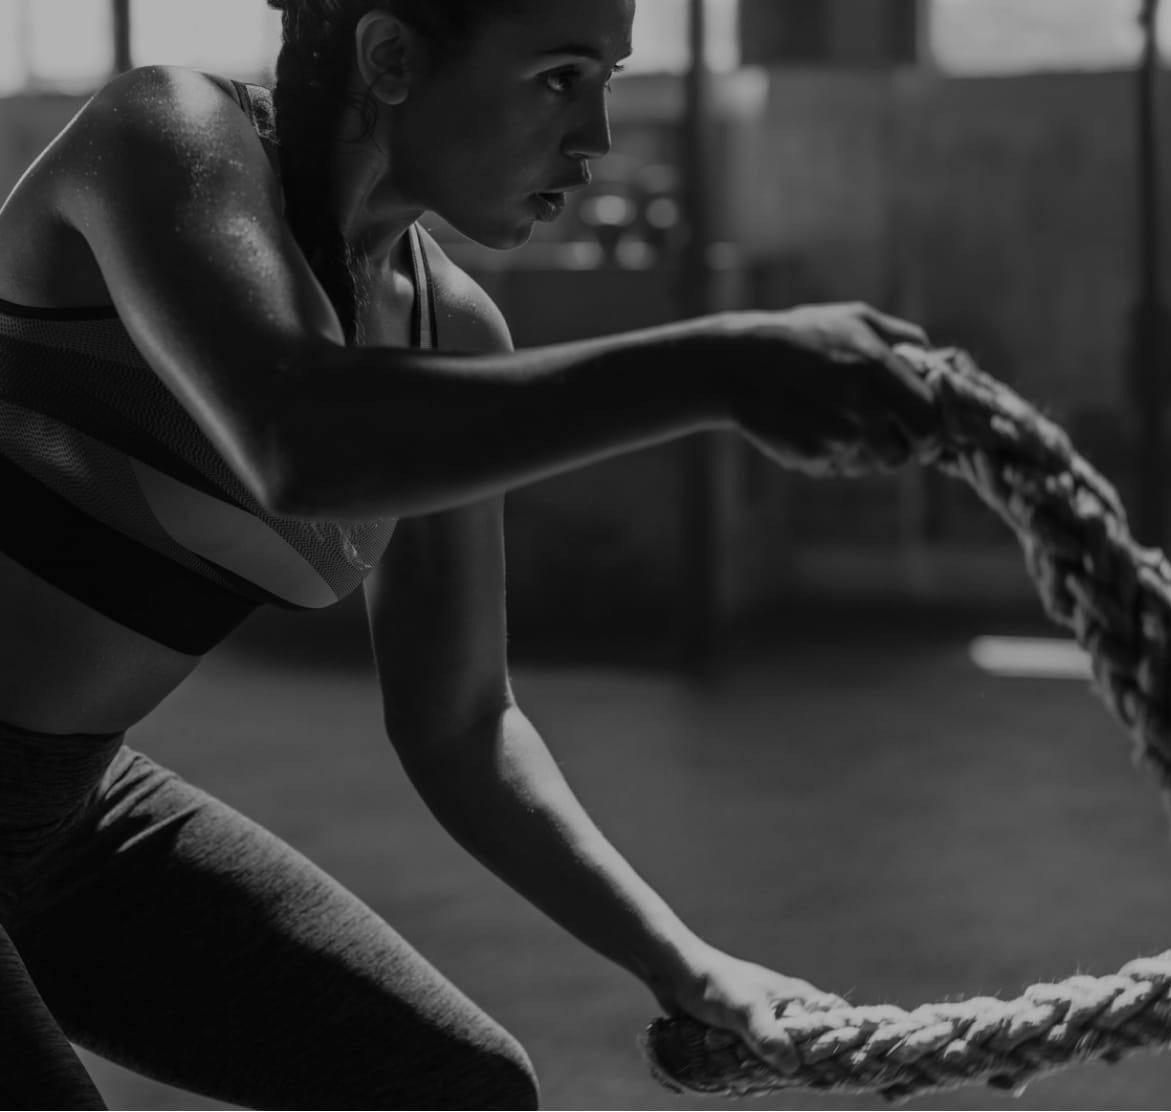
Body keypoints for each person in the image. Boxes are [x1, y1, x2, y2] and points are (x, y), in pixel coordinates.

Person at [0, 0, 938, 1106]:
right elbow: (298, 440)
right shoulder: (165, 134)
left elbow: (462, 721)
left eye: (608, 79)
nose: (594, 137)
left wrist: (680, 960)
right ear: (391, 56)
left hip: (66, 821)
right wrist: (721, 370)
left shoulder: (451, 327)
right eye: (559, 76)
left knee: (459, 1089)